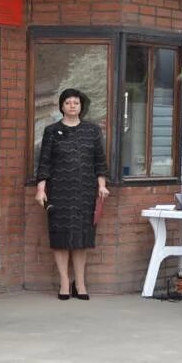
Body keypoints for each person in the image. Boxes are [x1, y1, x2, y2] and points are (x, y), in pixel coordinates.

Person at [34, 88, 109, 301]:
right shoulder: (51, 131)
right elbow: (44, 163)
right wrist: (41, 189)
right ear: (61, 106)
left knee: (81, 239)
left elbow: (99, 162)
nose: (72, 106)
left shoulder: (92, 131)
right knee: (60, 238)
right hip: (58, 191)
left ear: (81, 106)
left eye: (76, 102)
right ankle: (65, 283)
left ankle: (81, 283)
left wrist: (101, 185)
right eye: (68, 103)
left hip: (85, 191)